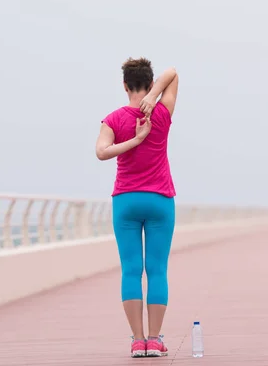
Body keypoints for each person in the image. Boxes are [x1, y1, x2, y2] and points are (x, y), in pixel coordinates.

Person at [95, 57, 179, 358]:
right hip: (160, 200)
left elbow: (101, 152)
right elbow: (173, 73)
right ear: (150, 81)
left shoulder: (114, 119)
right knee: (157, 270)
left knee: (131, 270)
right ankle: (154, 341)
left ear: (124, 85)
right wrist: (153, 99)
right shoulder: (161, 112)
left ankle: (137, 341)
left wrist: (131, 140)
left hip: (126, 201)